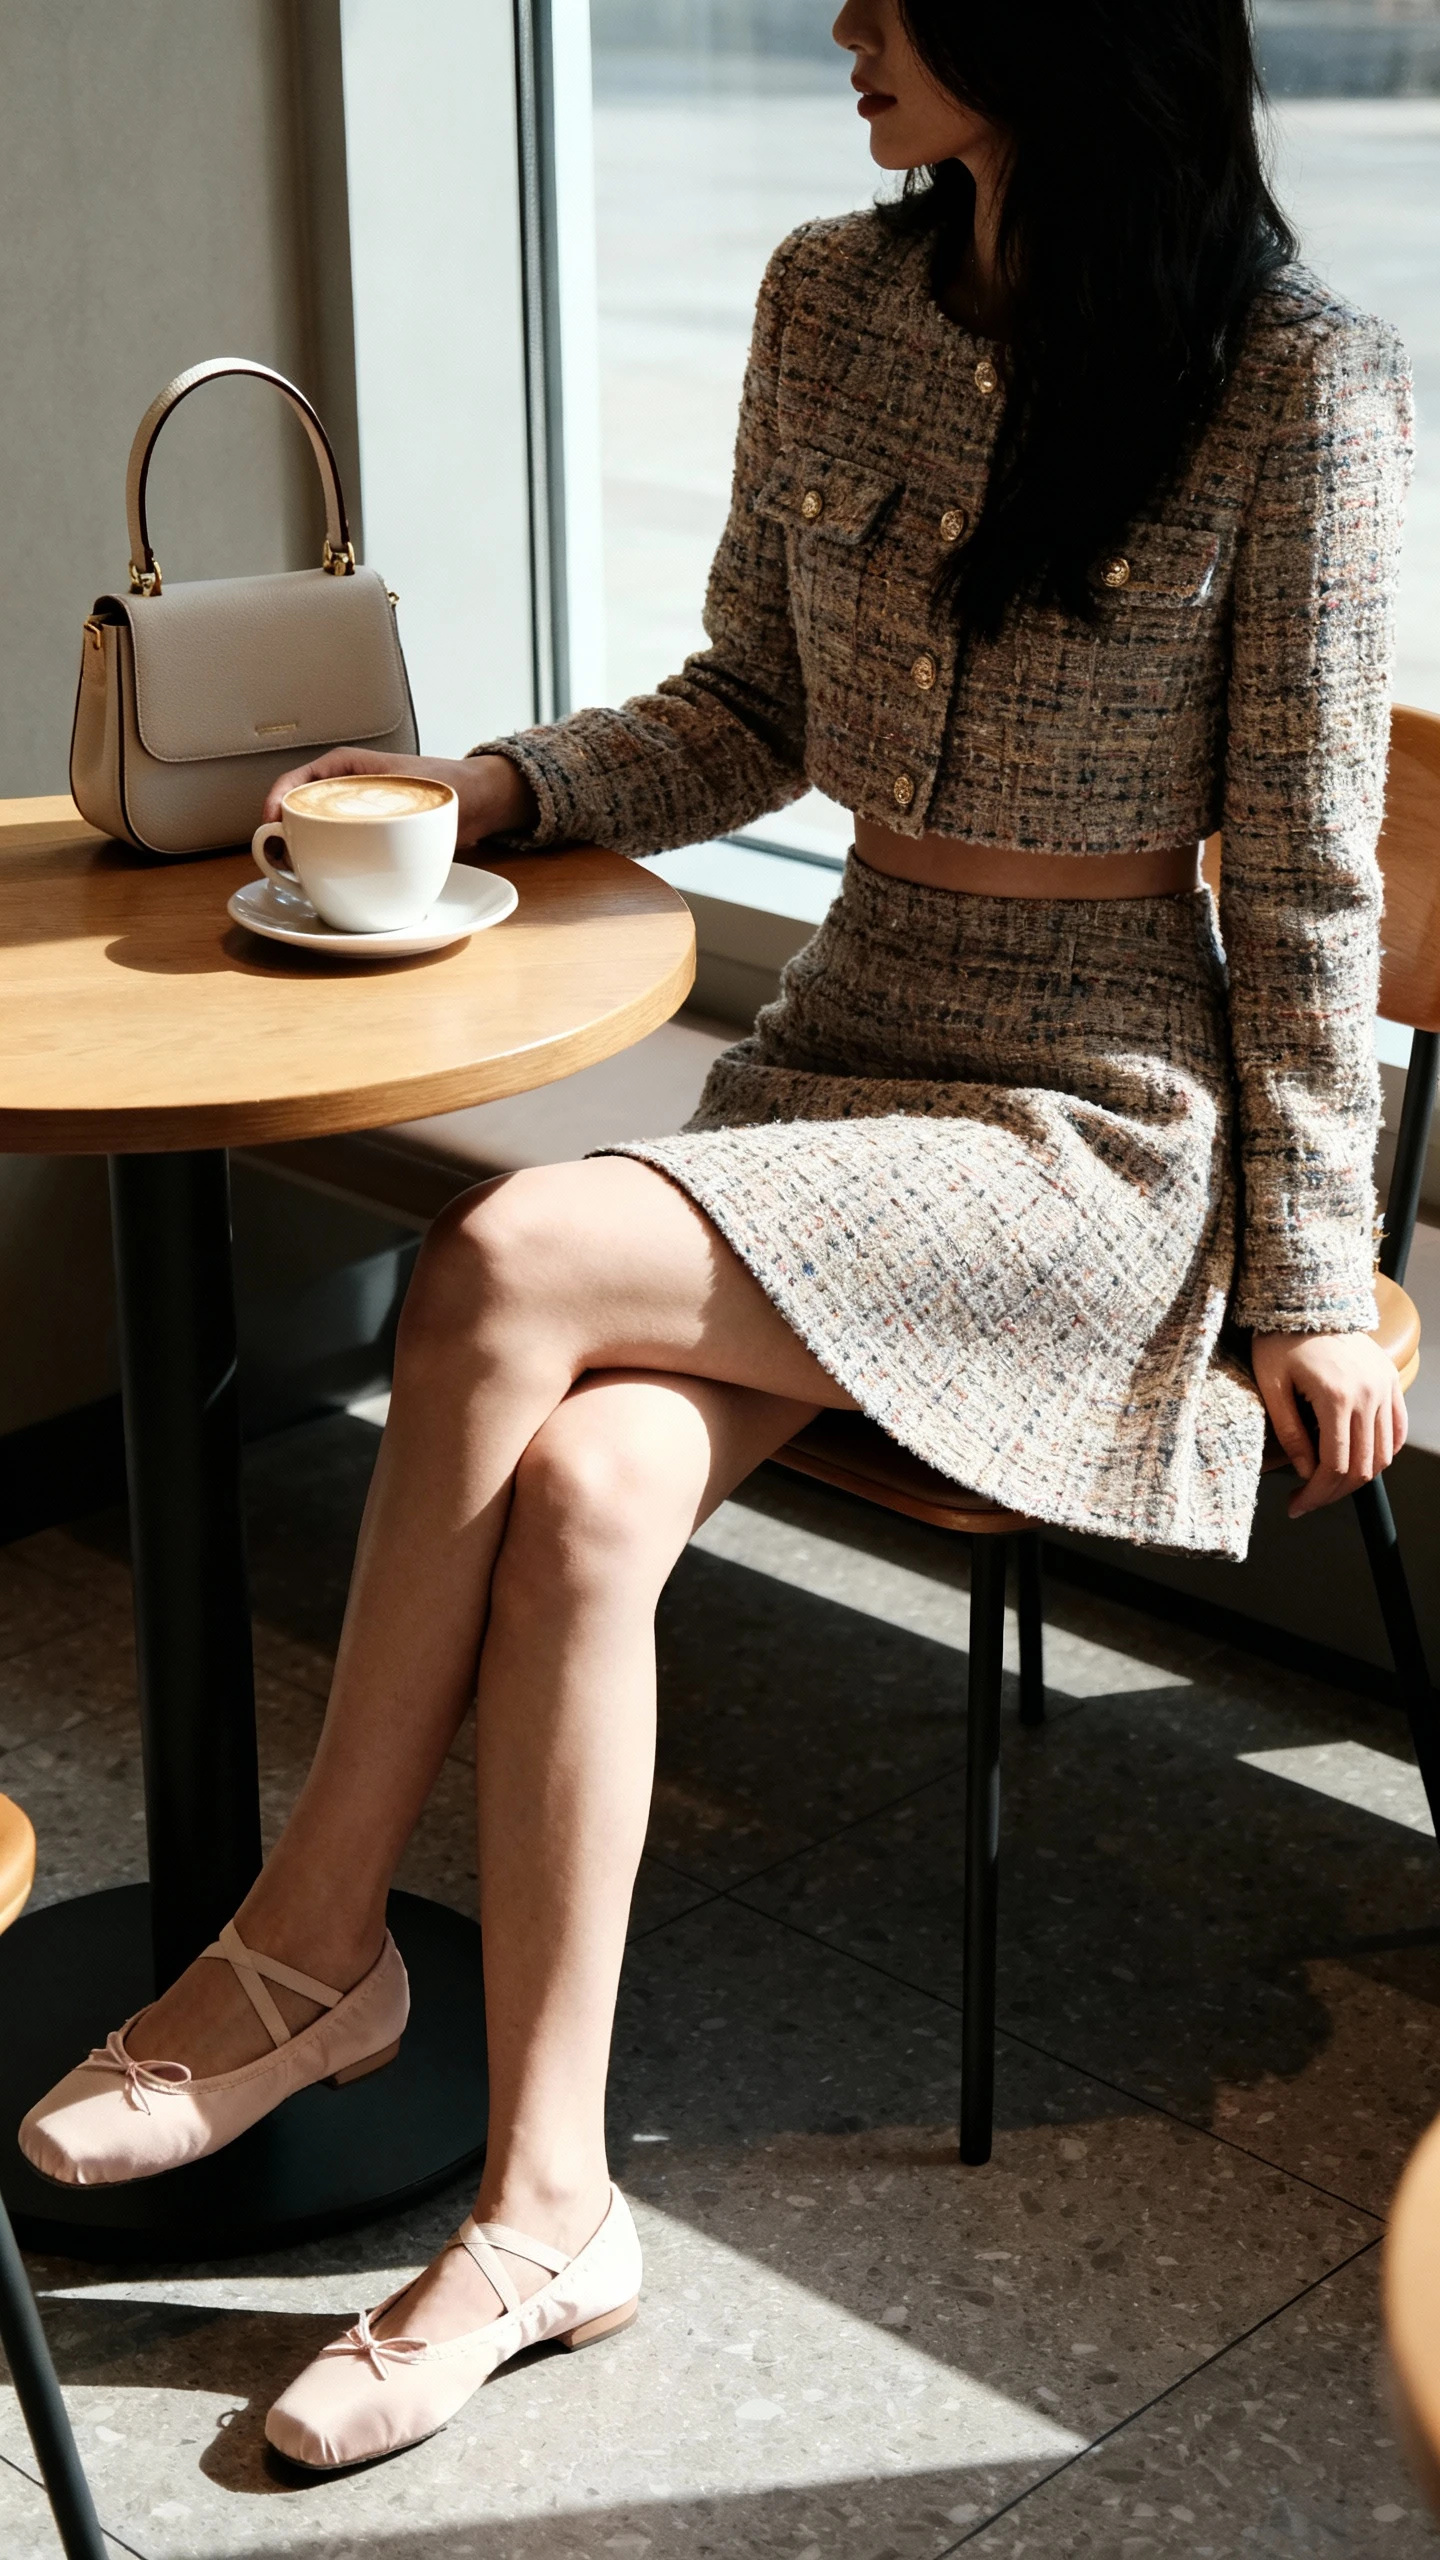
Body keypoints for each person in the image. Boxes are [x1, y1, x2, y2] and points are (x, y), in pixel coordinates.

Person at [21, 0, 1412, 2474]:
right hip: (860, 1035)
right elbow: (746, 706)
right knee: (582, 1496)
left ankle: (303, 1954)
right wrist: (490, 777)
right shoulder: (829, 298)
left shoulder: (1300, 379)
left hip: (1094, 1120)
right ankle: (553, 2209)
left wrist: (1311, 1269)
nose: (845, 31)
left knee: (511, 1258)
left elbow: (1305, 870)